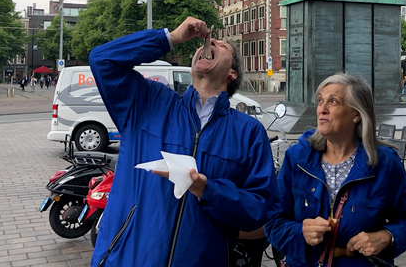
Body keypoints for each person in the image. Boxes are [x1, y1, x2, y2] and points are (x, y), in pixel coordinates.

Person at [88, 16, 279, 267]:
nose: (209, 43)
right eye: (207, 42)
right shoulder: (149, 102)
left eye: (221, 45)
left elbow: (261, 209)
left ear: (232, 73)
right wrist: (171, 38)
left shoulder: (248, 131)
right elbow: (102, 59)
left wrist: (207, 190)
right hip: (126, 259)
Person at [266, 73, 406, 266]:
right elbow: (273, 221)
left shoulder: (384, 163)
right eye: (320, 101)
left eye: (333, 101)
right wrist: (300, 232)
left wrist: (386, 236)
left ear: (356, 114)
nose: (322, 109)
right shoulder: (297, 157)